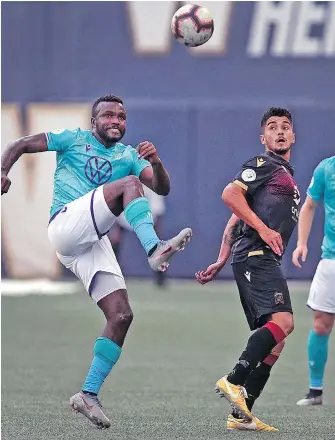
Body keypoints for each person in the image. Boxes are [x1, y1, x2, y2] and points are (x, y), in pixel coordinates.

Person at [1, 94, 192, 429]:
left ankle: (87, 394)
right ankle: (154, 249)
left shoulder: (129, 155)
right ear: (94, 121)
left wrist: (158, 163)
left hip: (88, 240)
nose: (116, 121)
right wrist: (3, 170)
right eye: (108, 116)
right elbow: (21, 143)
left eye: (121, 116)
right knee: (130, 185)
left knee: (121, 315)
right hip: (64, 224)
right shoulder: (73, 139)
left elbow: (162, 188)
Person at [196, 107, 300, 432]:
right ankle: (233, 380)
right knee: (285, 322)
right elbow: (230, 194)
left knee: (276, 340)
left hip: (256, 256)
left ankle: (241, 415)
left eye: (285, 127)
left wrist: (221, 258)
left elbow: (236, 216)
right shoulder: (264, 164)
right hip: (257, 253)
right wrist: (265, 231)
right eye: (272, 127)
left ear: (293, 136)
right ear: (263, 138)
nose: (280, 131)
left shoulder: (284, 172)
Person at [292, 156, 335, 406]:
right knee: (321, 323)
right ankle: (315, 391)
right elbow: (309, 206)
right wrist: (301, 243)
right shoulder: (326, 168)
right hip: (330, 259)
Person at [109, 186, 167, 287]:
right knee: (115, 239)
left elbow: (157, 207)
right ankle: (113, 275)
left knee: (156, 244)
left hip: (147, 215)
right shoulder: (123, 178)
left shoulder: (151, 181)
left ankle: (160, 276)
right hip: (124, 214)